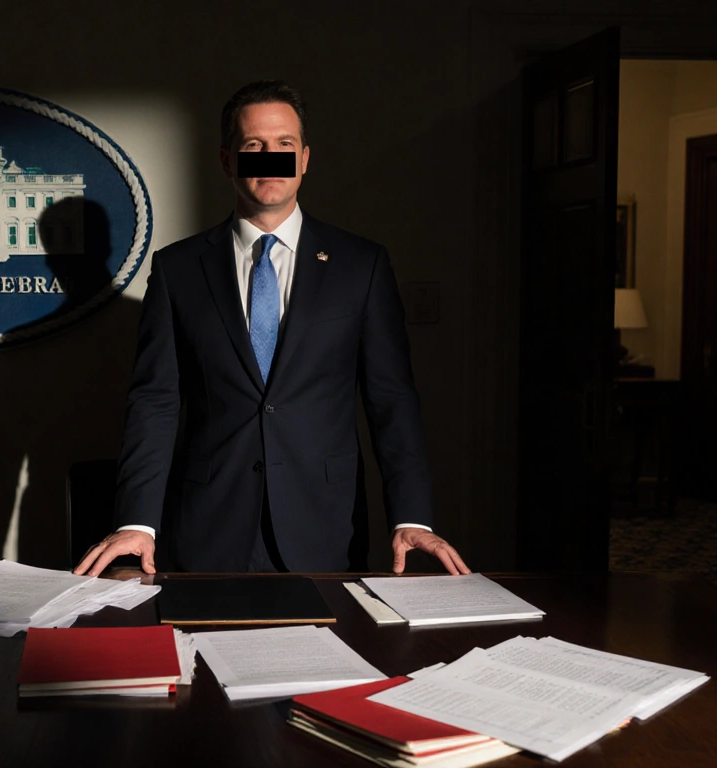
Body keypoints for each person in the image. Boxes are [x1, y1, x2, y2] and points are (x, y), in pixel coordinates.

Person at [74, 80, 468, 577]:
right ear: (226, 159)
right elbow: (155, 402)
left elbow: (392, 400)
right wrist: (137, 523)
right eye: (253, 147)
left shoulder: (360, 265)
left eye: (284, 146)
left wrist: (411, 515)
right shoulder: (177, 270)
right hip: (208, 526)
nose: (270, 158)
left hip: (324, 527)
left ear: (304, 159)